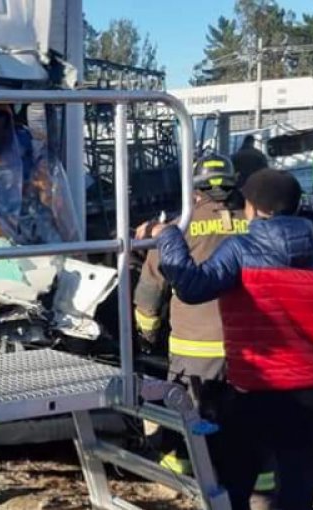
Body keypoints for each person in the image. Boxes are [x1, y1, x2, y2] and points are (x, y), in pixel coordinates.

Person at [137, 169, 313, 510]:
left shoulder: (241, 250)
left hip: (254, 385)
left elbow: (191, 286)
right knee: (298, 473)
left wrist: (169, 236)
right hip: (312, 387)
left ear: (257, 209)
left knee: (238, 475)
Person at [133, 153, 246, 477]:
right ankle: (255, 483)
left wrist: (148, 334)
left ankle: (183, 471)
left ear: (193, 189)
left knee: (190, 414)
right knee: (242, 417)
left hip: (195, 346)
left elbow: (150, 294)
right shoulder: (255, 220)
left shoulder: (177, 229)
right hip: (251, 344)